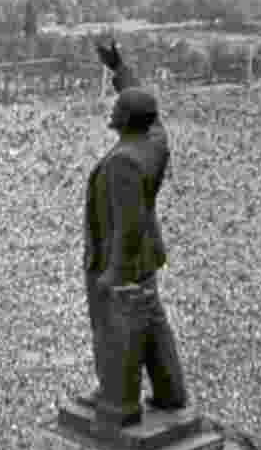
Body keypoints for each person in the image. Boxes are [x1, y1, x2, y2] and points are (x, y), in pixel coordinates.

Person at [76, 39, 188, 427]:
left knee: (113, 327)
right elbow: (148, 109)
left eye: (117, 108)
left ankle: (116, 400)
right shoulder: (153, 142)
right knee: (153, 322)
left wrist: (113, 274)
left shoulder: (123, 162)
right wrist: (119, 69)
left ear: (124, 120)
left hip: (118, 259)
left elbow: (128, 223)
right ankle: (171, 392)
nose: (113, 110)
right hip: (145, 258)